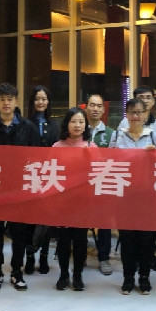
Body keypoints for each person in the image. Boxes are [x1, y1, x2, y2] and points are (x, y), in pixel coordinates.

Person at [0, 83, 40, 291]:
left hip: (20, 189)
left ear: (16, 102)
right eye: (2, 99)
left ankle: (16, 271)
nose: (6, 103)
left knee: (19, 233)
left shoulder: (28, 127)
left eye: (10, 99)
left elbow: (36, 158)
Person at [111, 97, 156, 295]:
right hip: (125, 196)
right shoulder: (118, 136)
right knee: (127, 239)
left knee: (147, 239)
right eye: (132, 112)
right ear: (126, 115)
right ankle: (128, 277)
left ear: (146, 114)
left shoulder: (154, 137)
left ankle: (144, 276)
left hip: (148, 197)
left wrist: (154, 156)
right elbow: (110, 161)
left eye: (139, 112)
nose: (135, 116)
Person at [50, 108, 93, 291]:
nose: (77, 125)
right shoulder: (56, 147)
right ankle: (63, 274)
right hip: (63, 202)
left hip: (83, 202)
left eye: (81, 122)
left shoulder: (91, 147)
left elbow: (97, 174)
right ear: (67, 124)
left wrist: (90, 157)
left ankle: (77, 275)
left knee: (81, 240)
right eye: (73, 121)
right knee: (63, 240)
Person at [23, 85, 58, 275]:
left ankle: (44, 256)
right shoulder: (25, 124)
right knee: (30, 218)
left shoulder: (54, 125)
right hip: (30, 176)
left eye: (44, 99)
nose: (40, 102)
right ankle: (30, 256)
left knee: (46, 218)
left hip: (49, 176)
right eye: (37, 99)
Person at [84, 94, 116, 275]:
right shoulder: (79, 130)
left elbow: (114, 160)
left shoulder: (111, 133)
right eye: (92, 105)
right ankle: (80, 255)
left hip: (102, 185)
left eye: (98, 106)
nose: (95, 109)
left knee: (104, 221)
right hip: (81, 187)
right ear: (86, 108)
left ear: (103, 109)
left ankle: (104, 258)